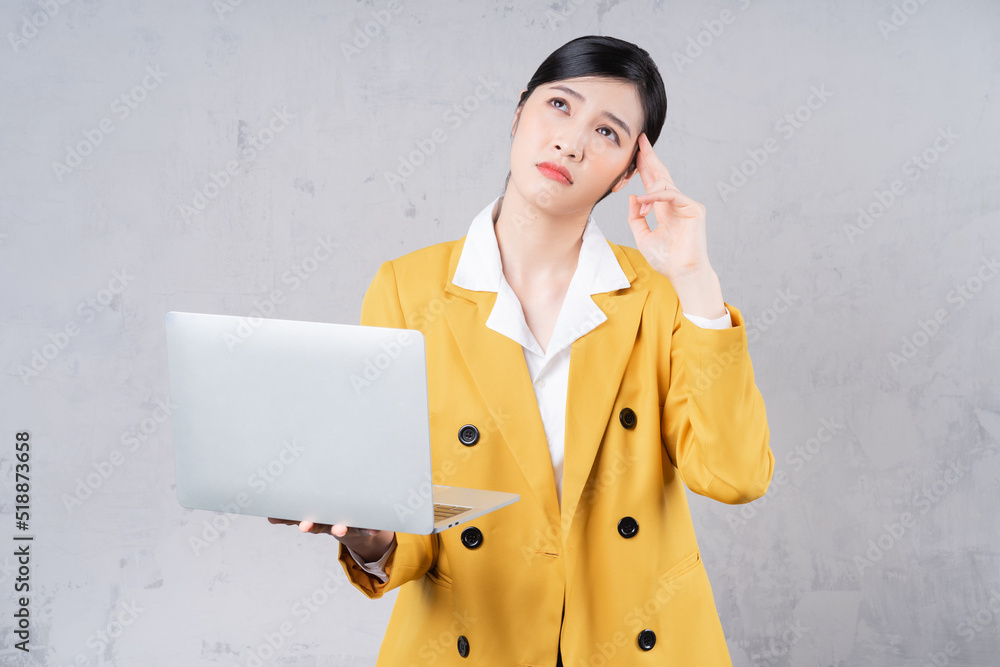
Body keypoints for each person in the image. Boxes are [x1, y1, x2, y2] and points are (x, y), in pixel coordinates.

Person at [269, 34, 774, 666]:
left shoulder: (661, 297)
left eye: (609, 133)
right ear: (518, 113)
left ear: (625, 177)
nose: (571, 141)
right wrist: (369, 537)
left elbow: (734, 476)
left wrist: (695, 278)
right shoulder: (408, 288)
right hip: (474, 641)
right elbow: (405, 509)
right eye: (560, 106)